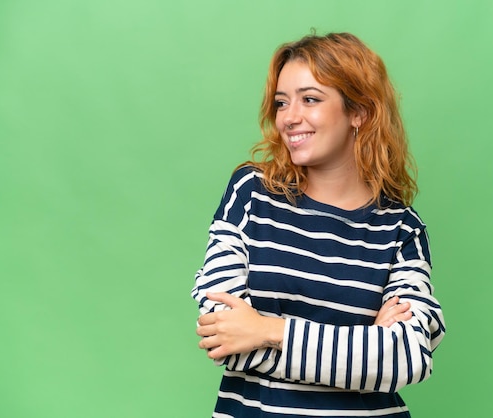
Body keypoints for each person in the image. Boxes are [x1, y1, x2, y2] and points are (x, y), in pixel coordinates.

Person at [191, 32, 445, 417]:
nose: (290, 117)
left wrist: (267, 330)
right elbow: (222, 335)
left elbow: (406, 360)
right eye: (281, 102)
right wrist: (367, 348)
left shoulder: (402, 229)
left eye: (310, 99)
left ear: (358, 112)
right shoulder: (251, 194)